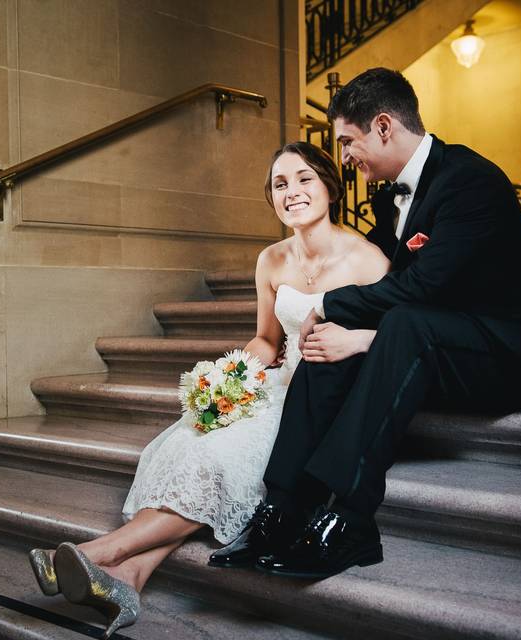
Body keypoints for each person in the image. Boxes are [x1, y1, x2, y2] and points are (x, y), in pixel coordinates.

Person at [210, 67, 521, 579]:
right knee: (325, 341)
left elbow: (424, 289)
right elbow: (384, 283)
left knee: (383, 322)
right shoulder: (389, 196)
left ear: (383, 127)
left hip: (506, 354)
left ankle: (351, 520)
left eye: (347, 142)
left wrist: (333, 306)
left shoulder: (471, 180)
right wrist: (336, 327)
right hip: (431, 347)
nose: (344, 157)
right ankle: (284, 507)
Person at [28, 141, 389, 637]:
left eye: (304, 179)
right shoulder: (272, 260)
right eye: (280, 185)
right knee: (192, 443)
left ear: (330, 185)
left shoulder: (369, 261)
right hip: (275, 383)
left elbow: (383, 348)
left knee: (218, 463)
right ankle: (128, 579)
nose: (293, 192)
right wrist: (229, 379)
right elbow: (267, 341)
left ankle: (98, 552)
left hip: (322, 397)